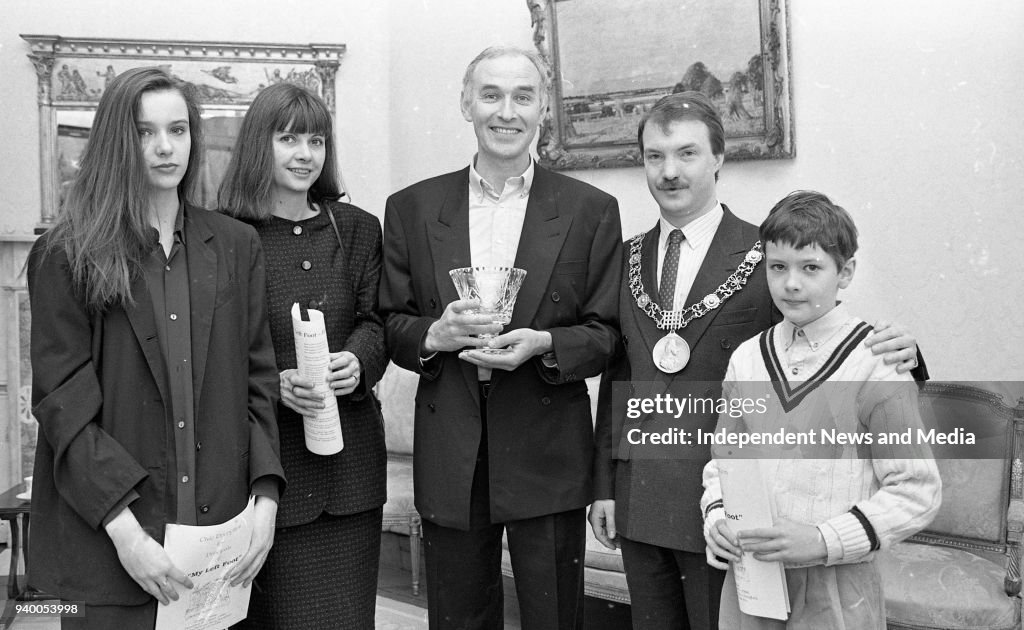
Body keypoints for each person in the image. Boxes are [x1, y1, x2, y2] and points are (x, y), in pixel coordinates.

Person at [589, 92, 925, 630]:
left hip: (732, 513)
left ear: (720, 158)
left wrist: (906, 353)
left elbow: (822, 342)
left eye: (687, 154)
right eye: (655, 156)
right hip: (639, 499)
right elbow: (618, 376)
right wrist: (603, 485)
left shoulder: (769, 253)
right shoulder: (625, 258)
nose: (669, 172)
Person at [26, 66, 284, 628]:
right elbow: (63, 410)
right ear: (117, 141)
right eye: (144, 132)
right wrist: (128, 536)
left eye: (179, 129)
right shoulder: (65, 255)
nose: (166, 147)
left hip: (217, 551)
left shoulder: (238, 246)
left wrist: (265, 503)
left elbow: (258, 383)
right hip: (111, 545)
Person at [379, 46, 622, 629]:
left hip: (547, 448)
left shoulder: (591, 209)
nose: (505, 111)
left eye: (522, 96)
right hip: (453, 450)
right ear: (467, 104)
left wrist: (544, 344)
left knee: (553, 619)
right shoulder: (412, 208)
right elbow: (390, 322)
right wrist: (435, 334)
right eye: (490, 95)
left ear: (544, 110)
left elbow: (608, 334)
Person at [701, 190, 941, 628]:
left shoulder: (878, 363)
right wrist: (717, 516)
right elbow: (726, 463)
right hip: (753, 578)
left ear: (844, 271)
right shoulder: (747, 359)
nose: (791, 283)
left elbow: (916, 491)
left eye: (810, 267)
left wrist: (822, 539)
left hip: (837, 585)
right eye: (778, 267)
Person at [218, 82, 387, 629]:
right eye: (287, 138)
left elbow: (376, 320)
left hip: (351, 472)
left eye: (316, 140)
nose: (304, 154)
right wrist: (275, 382)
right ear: (256, 145)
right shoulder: (225, 236)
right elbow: (215, 349)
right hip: (267, 474)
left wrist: (358, 361)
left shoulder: (358, 227)